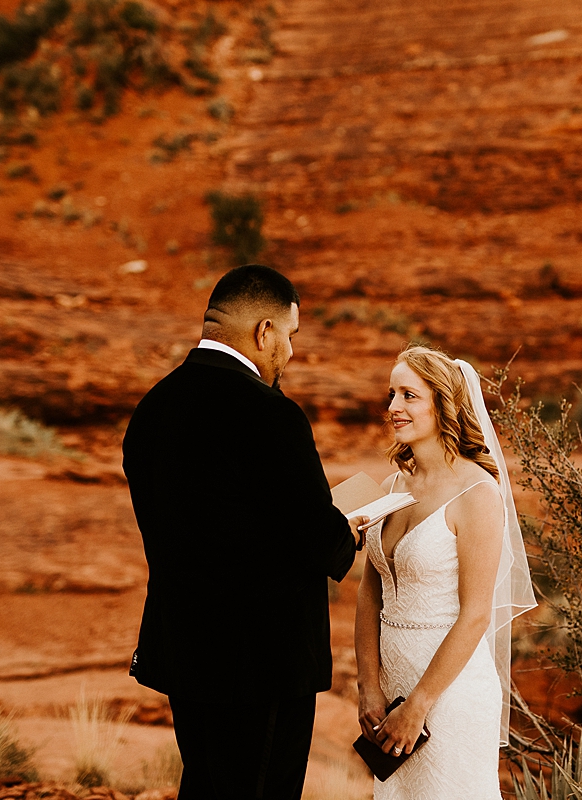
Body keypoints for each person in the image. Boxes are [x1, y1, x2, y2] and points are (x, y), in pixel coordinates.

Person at [122, 264, 368, 800]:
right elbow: (317, 541)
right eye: (290, 336)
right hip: (262, 665)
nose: (290, 354)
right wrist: (351, 527)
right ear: (264, 332)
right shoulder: (270, 415)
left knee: (207, 787)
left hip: (186, 654)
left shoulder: (152, 410)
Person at [355, 345, 537, 799]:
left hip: (447, 695)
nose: (394, 407)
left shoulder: (477, 493)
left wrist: (418, 705)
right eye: (392, 393)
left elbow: (477, 613)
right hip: (391, 691)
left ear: (443, 404)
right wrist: (369, 685)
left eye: (409, 395)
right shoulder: (392, 484)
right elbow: (368, 594)